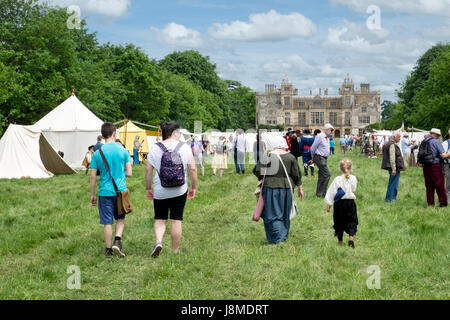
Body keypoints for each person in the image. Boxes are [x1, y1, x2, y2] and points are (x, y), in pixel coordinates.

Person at [146, 122, 198, 257]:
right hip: (179, 189)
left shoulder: (155, 148)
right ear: (176, 133)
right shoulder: (184, 147)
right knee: (176, 219)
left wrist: (148, 188)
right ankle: (175, 250)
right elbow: (192, 169)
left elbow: (148, 171)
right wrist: (194, 187)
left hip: (160, 189)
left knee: (160, 219)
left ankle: (158, 242)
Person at [90, 122, 132, 258]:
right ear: (114, 133)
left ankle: (108, 250)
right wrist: (119, 173)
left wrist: (92, 194)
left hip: (104, 192)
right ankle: (117, 241)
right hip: (120, 190)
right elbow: (129, 173)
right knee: (120, 217)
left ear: (102, 136)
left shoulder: (97, 153)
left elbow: (92, 177)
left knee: (107, 222)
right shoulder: (123, 150)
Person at [253, 136, 303, 244]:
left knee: (272, 213)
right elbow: (297, 174)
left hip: (270, 188)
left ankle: (276, 238)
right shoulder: (290, 157)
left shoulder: (267, 156)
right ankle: (282, 236)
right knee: (284, 213)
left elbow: (257, 171)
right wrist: (300, 188)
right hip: (286, 189)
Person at [325, 159, 358, 248]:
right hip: (350, 203)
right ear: (351, 168)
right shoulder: (353, 178)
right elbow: (354, 189)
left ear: (340, 168)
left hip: (339, 204)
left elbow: (332, 192)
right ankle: (351, 237)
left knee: (339, 221)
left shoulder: (337, 179)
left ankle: (340, 241)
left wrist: (329, 204)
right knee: (351, 220)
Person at [421, 129, 449, 207]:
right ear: (437, 135)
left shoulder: (424, 141)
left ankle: (430, 204)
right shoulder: (436, 142)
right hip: (435, 166)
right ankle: (443, 204)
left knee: (429, 186)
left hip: (425, 166)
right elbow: (443, 155)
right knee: (440, 185)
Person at [311, 124, 334, 198]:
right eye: (331, 130)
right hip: (319, 157)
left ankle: (319, 194)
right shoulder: (320, 136)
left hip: (323, 158)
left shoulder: (327, 137)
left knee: (321, 176)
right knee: (327, 174)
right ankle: (324, 193)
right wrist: (313, 158)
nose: (331, 132)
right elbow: (313, 148)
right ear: (326, 130)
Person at [381, 131, 405, 203]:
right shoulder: (391, 145)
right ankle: (392, 199)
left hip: (391, 167)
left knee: (391, 183)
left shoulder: (388, 143)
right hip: (393, 167)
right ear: (394, 137)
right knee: (394, 184)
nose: (400, 139)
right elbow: (392, 157)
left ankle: (388, 198)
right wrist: (394, 168)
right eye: (398, 137)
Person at [442, 131, 450, 202]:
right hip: (448, 165)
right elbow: (442, 155)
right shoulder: (446, 143)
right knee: (449, 183)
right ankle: (448, 200)